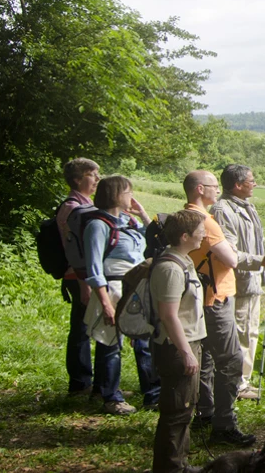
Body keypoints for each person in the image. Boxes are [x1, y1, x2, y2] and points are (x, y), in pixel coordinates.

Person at [181, 170, 252, 446]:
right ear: (200, 189)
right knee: (231, 360)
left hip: (203, 297)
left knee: (208, 359)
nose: (216, 190)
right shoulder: (206, 222)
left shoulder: (187, 215)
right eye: (212, 186)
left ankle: (206, 412)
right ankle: (223, 424)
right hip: (215, 299)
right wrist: (237, 252)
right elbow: (231, 258)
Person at [80, 175, 159, 414]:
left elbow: (154, 237)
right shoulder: (98, 225)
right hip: (113, 288)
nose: (131, 197)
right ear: (115, 194)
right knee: (111, 344)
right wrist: (105, 304)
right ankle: (110, 397)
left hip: (136, 289)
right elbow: (94, 269)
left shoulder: (128, 221)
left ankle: (153, 395)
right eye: (128, 192)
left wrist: (143, 214)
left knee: (143, 340)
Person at [211, 164, 265, 401]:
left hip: (252, 281)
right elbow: (228, 252)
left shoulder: (247, 206)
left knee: (250, 332)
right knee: (239, 334)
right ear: (238, 185)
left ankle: (243, 382)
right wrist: (260, 261)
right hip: (238, 283)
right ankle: (236, 385)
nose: (255, 184)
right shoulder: (222, 210)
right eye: (251, 181)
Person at [150, 209, 209, 473]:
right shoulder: (170, 269)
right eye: (199, 232)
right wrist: (186, 352)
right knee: (176, 413)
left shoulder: (182, 261)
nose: (203, 236)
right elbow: (168, 315)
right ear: (185, 236)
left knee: (185, 410)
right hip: (176, 347)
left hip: (184, 344)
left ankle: (179, 465)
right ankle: (170, 468)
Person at [57, 158, 100, 399]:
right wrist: (84, 284)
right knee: (81, 329)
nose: (97, 179)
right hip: (79, 276)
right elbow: (76, 251)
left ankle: (87, 382)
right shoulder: (73, 208)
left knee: (85, 327)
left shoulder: (85, 204)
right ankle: (80, 383)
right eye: (92, 174)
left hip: (83, 275)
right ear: (77, 179)